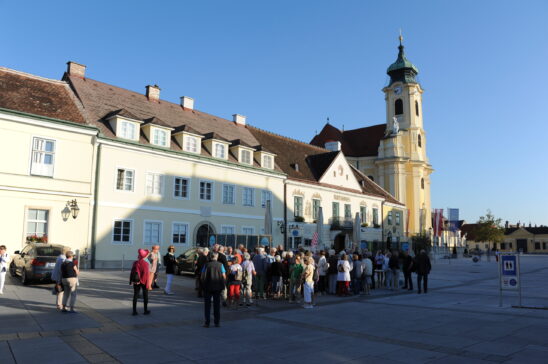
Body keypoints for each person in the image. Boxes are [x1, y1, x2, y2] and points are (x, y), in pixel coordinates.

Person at [201, 252, 226, 327]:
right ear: (217, 257)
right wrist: (223, 284)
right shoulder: (220, 265)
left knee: (207, 305)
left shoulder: (206, 265)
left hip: (207, 287)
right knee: (216, 305)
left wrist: (203, 284)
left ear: (211, 257)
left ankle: (207, 322)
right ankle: (217, 322)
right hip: (217, 287)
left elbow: (202, 276)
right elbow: (224, 276)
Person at [130, 249, 151, 315]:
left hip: (136, 281)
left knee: (135, 295)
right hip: (144, 281)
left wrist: (131, 281)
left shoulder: (135, 262)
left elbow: (132, 272)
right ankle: (145, 310)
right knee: (145, 296)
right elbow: (146, 275)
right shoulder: (146, 264)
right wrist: (147, 284)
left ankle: (134, 311)